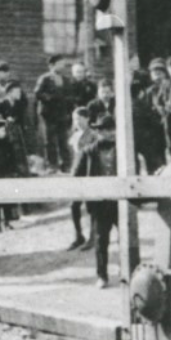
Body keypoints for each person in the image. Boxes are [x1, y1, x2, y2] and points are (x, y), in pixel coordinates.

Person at [73, 115, 119, 289]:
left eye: (112, 129)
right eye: (106, 130)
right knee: (101, 241)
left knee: (128, 238)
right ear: (98, 132)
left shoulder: (123, 150)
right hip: (100, 205)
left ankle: (128, 271)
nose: (110, 133)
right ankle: (102, 276)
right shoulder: (88, 152)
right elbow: (76, 177)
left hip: (120, 201)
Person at [35, 55, 73, 172]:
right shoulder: (45, 79)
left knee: (63, 139)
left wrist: (68, 106)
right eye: (60, 64)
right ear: (52, 65)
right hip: (49, 114)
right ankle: (52, 164)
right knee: (49, 140)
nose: (62, 66)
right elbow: (38, 93)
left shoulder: (66, 80)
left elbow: (69, 95)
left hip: (61, 114)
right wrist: (50, 98)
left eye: (63, 64)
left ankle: (65, 165)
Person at [66, 107, 95, 250]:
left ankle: (93, 237)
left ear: (87, 118)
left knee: (91, 207)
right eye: (74, 119)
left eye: (79, 118)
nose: (77, 122)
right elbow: (73, 156)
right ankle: (78, 236)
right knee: (73, 206)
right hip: (77, 174)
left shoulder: (93, 135)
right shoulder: (74, 135)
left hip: (89, 173)